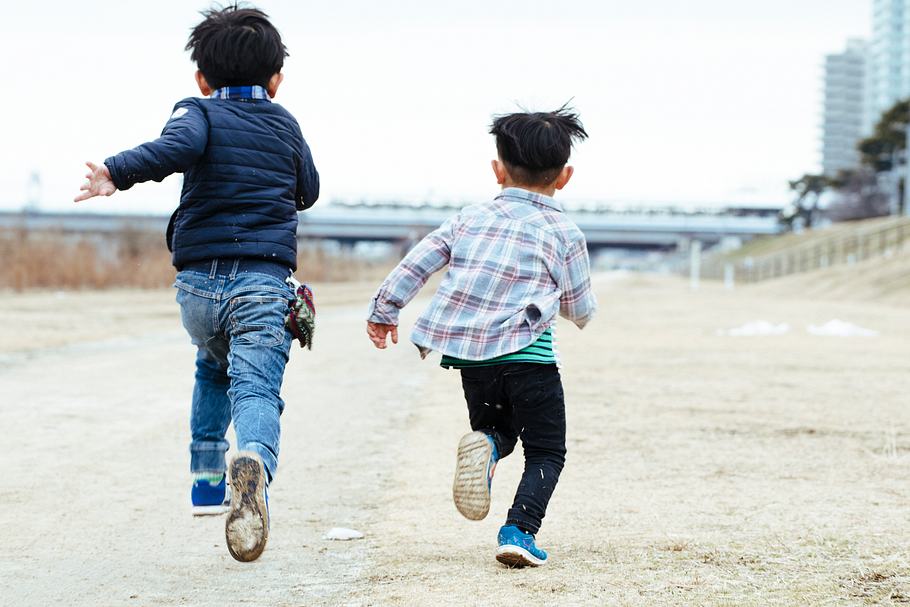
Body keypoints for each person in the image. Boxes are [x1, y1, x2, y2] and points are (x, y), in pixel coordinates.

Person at [74, 4, 319, 562]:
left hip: (199, 289)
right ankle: (251, 457)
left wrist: (116, 171)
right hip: (263, 280)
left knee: (212, 365)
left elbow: (174, 150)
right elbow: (309, 189)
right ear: (276, 79)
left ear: (202, 79)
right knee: (255, 387)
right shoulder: (286, 124)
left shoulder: (198, 113)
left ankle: (207, 478)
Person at [366, 105, 596, 567]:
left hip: (472, 361)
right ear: (565, 176)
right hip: (530, 357)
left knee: (497, 428)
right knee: (547, 450)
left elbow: (419, 261)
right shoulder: (564, 233)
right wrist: (569, 306)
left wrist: (385, 309)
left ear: (497, 171)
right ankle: (519, 530)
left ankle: (488, 445)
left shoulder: (467, 219)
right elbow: (578, 308)